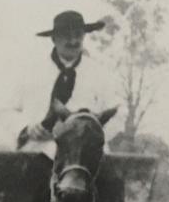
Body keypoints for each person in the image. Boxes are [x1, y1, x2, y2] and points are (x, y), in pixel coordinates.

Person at [16, 10, 122, 153]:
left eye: (78, 35)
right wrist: (26, 128)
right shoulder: (31, 72)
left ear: (84, 36)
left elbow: (119, 114)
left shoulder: (100, 73)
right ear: (54, 39)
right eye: (66, 36)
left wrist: (92, 136)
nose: (73, 41)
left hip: (87, 156)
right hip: (37, 152)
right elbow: (6, 110)